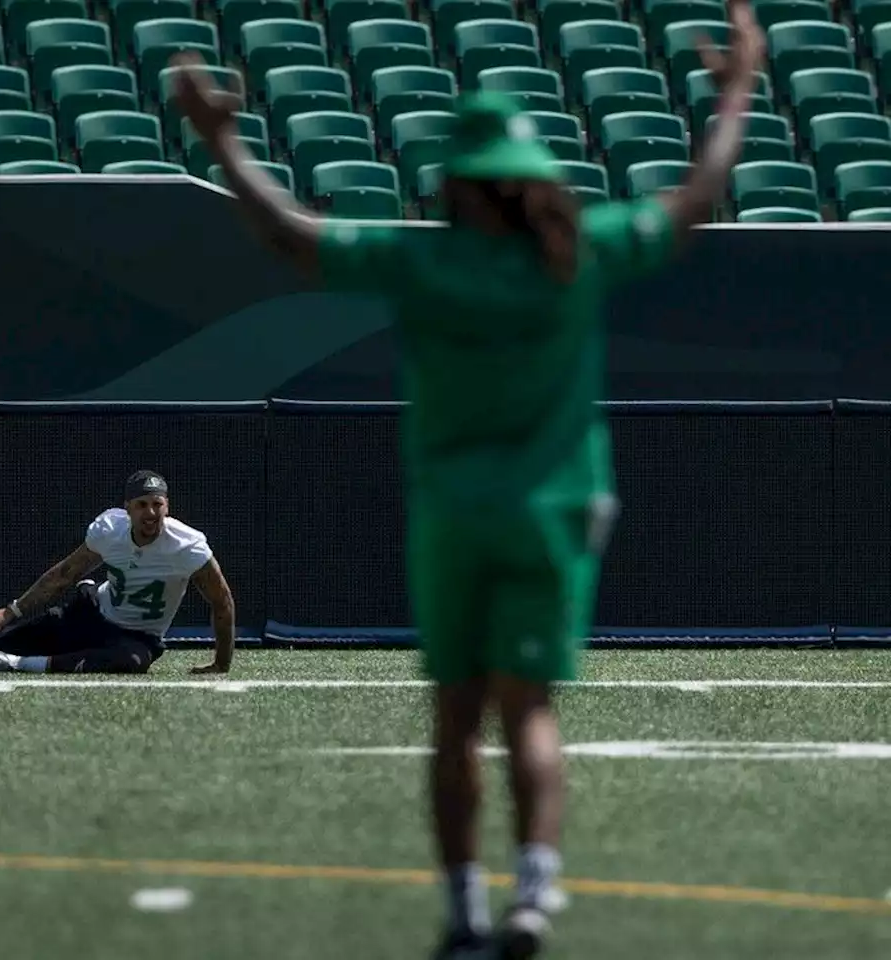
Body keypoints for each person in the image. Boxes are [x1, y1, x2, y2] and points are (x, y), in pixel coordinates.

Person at [172, 3, 764, 955]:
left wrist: (222, 138)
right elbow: (695, 201)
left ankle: (462, 912)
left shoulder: (423, 259)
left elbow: (291, 233)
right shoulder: (583, 252)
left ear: (458, 179)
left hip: (454, 513)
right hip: (554, 512)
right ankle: (534, 894)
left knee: (455, 718)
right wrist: (736, 89)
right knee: (529, 709)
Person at [0, 470, 235, 676]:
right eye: (142, 504)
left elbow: (221, 600)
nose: (151, 512)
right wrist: (10, 612)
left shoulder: (187, 546)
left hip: (139, 636)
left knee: (130, 663)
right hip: (94, 613)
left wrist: (221, 663)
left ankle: (20, 665)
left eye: (157, 504)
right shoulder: (110, 529)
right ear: (127, 508)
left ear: (168, 507)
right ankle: (85, 593)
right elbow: (64, 574)